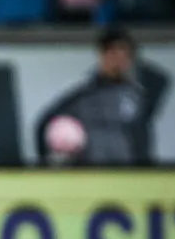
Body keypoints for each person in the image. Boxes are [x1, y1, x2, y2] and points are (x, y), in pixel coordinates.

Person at [35, 28, 152, 166]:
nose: (118, 62)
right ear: (102, 55)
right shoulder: (82, 96)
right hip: (91, 171)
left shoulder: (137, 97)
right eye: (113, 54)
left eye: (125, 56)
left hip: (125, 170)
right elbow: (44, 124)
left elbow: (142, 140)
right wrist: (46, 162)